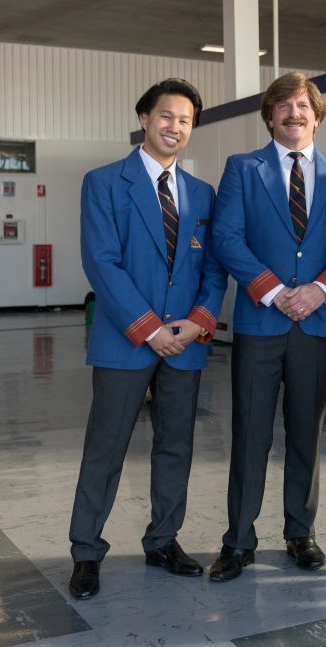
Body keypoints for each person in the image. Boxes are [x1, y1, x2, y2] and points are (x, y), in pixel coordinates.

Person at [68, 78, 227, 600]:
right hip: (125, 342)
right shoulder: (105, 182)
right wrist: (149, 328)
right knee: (105, 448)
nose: (175, 127)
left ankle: (163, 540)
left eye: (185, 120)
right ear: (144, 118)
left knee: (175, 447)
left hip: (185, 344)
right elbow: (102, 262)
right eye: (166, 116)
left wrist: (197, 321)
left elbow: (212, 268)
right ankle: (87, 551)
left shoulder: (202, 194)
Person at [208, 72, 326, 581]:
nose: (294, 113)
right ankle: (238, 540)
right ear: (270, 115)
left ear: (316, 115)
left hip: (319, 324)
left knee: (305, 433)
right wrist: (276, 292)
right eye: (283, 105)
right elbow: (227, 238)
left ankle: (301, 533)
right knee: (250, 434)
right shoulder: (241, 169)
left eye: (303, 105)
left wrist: (320, 289)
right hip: (260, 321)